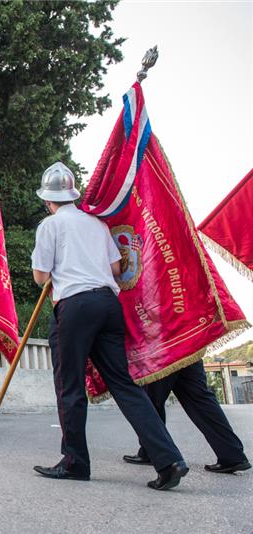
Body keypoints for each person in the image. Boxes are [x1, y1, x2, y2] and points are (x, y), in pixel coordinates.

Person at [30, 162, 188, 491]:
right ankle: (168, 458)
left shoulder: (50, 225)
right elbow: (117, 268)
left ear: (49, 200)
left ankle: (75, 461)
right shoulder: (97, 224)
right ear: (72, 195)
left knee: (69, 386)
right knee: (124, 385)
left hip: (74, 305)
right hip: (108, 304)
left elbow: (40, 277)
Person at [122, 360, 250, 474]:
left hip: (160, 349)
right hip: (187, 348)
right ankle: (232, 455)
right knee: (200, 400)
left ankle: (151, 452)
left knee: (150, 401)